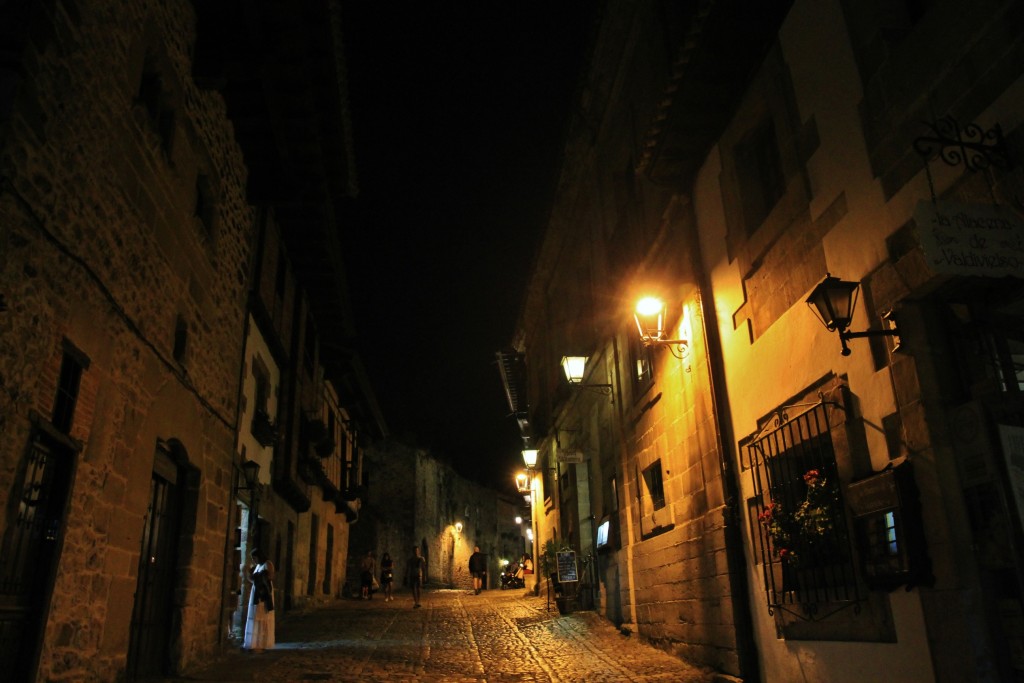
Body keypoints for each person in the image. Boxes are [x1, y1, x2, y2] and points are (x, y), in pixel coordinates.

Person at [243, 548, 275, 653]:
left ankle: (261, 643)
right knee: (255, 615)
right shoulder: (257, 566)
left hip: (263, 594)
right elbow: (254, 579)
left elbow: (268, 576)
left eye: (255, 558)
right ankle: (254, 643)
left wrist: (257, 577)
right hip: (256, 592)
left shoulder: (267, 564)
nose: (254, 560)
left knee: (262, 616)